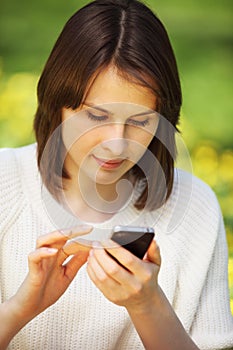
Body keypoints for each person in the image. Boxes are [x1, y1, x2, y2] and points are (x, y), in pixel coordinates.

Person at [0, 0, 232, 349]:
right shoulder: (6, 183)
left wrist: (148, 306)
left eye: (140, 122)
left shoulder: (194, 206)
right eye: (96, 117)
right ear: (56, 104)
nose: (117, 145)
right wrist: (22, 307)